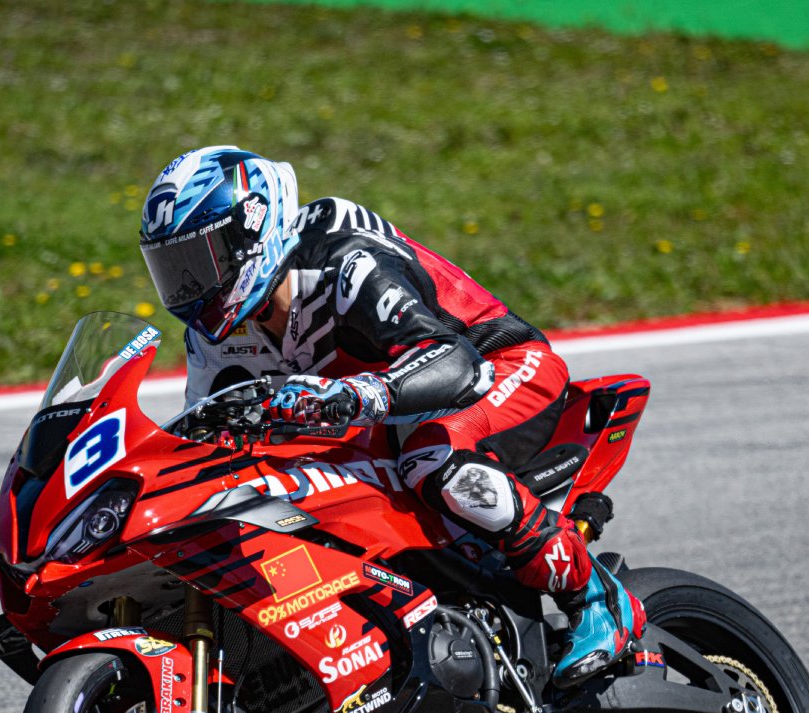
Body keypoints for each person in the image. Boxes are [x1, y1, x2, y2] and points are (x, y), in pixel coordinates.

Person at [137, 146, 643, 684]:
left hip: (498, 367)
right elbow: (206, 430)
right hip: (389, 415)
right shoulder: (216, 335)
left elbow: (453, 363)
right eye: (175, 271)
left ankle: (594, 597)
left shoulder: (344, 262)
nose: (191, 288)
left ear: (251, 234)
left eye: (201, 262)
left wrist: (355, 395)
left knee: (431, 458)